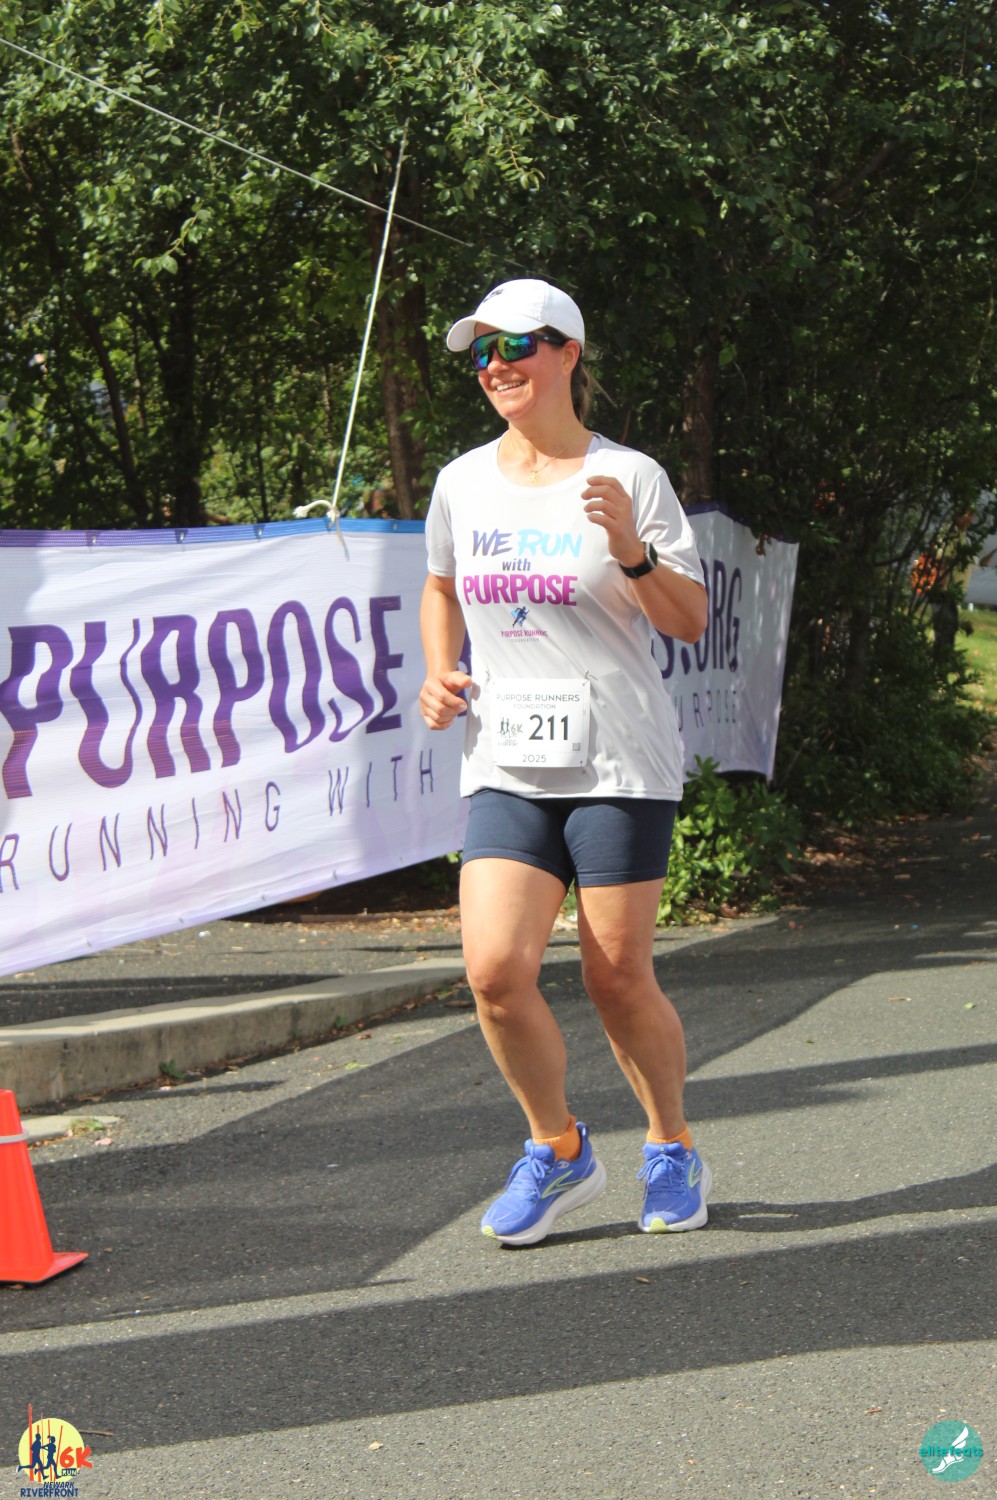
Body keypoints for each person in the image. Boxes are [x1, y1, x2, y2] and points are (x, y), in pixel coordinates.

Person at [419, 277, 710, 1247]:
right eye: (482, 351)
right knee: (494, 972)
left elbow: (687, 618)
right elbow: (440, 585)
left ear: (567, 353)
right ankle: (558, 1148)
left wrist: (631, 550)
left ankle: (670, 1146)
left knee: (616, 977)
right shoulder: (462, 482)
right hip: (508, 758)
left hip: (617, 761)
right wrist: (438, 671)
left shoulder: (630, 476)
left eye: (516, 346)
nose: (495, 366)